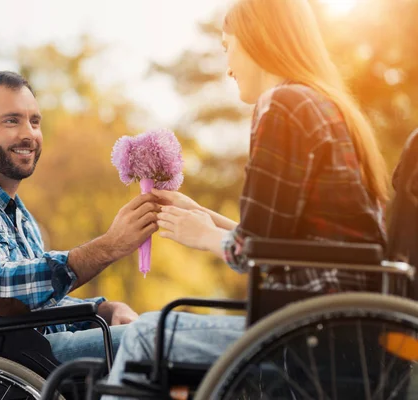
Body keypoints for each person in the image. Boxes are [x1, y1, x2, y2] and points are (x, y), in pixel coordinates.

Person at [103, 0, 389, 394]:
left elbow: (250, 253)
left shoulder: (283, 105)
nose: (228, 66)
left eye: (227, 47)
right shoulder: (320, 101)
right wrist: (203, 215)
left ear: (257, 39)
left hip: (311, 323)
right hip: (344, 318)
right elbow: (280, 242)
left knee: (144, 336)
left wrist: (202, 235)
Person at [0, 71, 160, 366]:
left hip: (31, 349)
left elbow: (35, 302)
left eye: (34, 121)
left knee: (160, 331)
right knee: (162, 338)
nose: (29, 133)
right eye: (11, 120)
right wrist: (109, 246)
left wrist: (103, 309)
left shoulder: (20, 216)